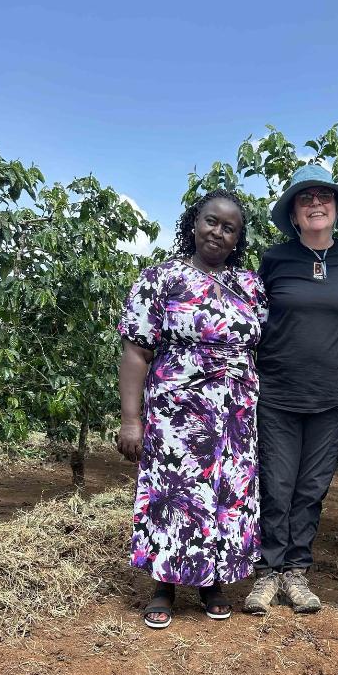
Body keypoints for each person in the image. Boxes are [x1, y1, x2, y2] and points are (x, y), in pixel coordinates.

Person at [117, 189, 267, 628]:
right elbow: (135, 352)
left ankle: (211, 583)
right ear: (193, 223)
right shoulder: (159, 279)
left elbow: (265, 344)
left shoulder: (251, 286)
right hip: (178, 410)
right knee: (176, 492)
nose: (218, 232)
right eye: (211, 221)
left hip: (235, 411)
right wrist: (131, 420)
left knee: (223, 493)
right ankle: (164, 585)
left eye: (229, 228)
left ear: (238, 238)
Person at [243, 165, 338, 615]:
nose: (316, 204)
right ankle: (268, 573)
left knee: (312, 488)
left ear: (336, 208)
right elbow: (252, 320)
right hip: (277, 392)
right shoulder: (275, 259)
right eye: (305, 198)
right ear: (294, 214)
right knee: (276, 484)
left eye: (324, 197)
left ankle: (296, 573)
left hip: (332, 395)